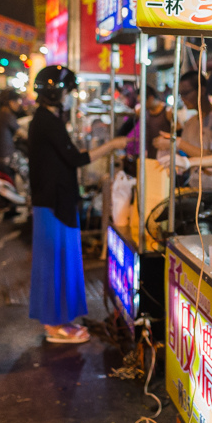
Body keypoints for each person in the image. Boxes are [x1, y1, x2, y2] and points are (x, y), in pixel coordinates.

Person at [28, 66, 127, 344]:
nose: (72, 97)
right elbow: (74, 159)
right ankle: (55, 326)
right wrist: (113, 144)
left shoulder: (46, 119)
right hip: (53, 203)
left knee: (58, 261)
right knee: (54, 263)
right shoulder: (48, 121)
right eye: (70, 92)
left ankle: (58, 321)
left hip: (54, 201)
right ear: (57, 93)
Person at [152, 71, 212, 194]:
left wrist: (178, 143)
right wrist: (169, 144)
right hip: (193, 187)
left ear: (202, 90)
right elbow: (185, 153)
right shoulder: (190, 122)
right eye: (180, 94)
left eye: (186, 93)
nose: (183, 98)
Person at [124, 86, 171, 158]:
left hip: (165, 156)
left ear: (151, 98)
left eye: (142, 102)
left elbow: (179, 135)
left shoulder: (168, 112)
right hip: (149, 155)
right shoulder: (144, 111)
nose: (140, 104)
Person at [0, 89, 22, 174]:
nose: (18, 104)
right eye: (16, 101)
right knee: (26, 168)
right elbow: (23, 134)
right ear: (10, 102)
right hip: (7, 157)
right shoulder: (8, 116)